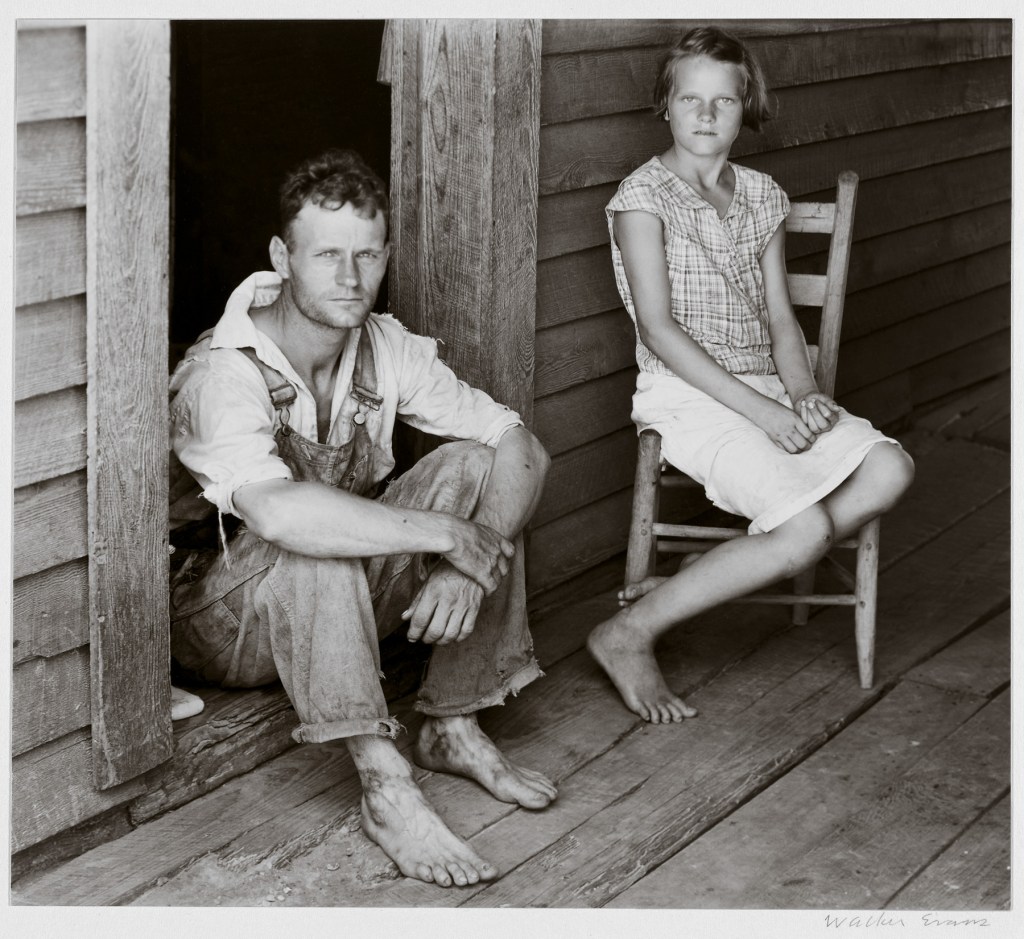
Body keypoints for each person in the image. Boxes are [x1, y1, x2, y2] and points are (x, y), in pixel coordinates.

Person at [168, 148, 555, 887]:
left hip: (337, 609)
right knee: (310, 533)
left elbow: (521, 446)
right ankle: (386, 784)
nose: (351, 278)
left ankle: (452, 721)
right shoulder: (224, 371)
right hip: (221, 618)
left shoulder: (385, 345)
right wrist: (449, 537)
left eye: (367, 254)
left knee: (479, 466)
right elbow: (279, 512)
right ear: (283, 255)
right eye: (327, 255)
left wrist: (475, 560)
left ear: (385, 255)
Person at [587, 28, 915, 724]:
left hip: (768, 387)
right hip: (685, 397)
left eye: (724, 102)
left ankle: (727, 566)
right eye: (691, 99)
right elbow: (660, 330)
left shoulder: (762, 195)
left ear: (746, 108)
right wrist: (766, 415)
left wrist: (800, 394)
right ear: (666, 106)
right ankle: (630, 630)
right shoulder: (641, 199)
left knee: (889, 467)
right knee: (801, 534)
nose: (707, 116)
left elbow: (778, 318)